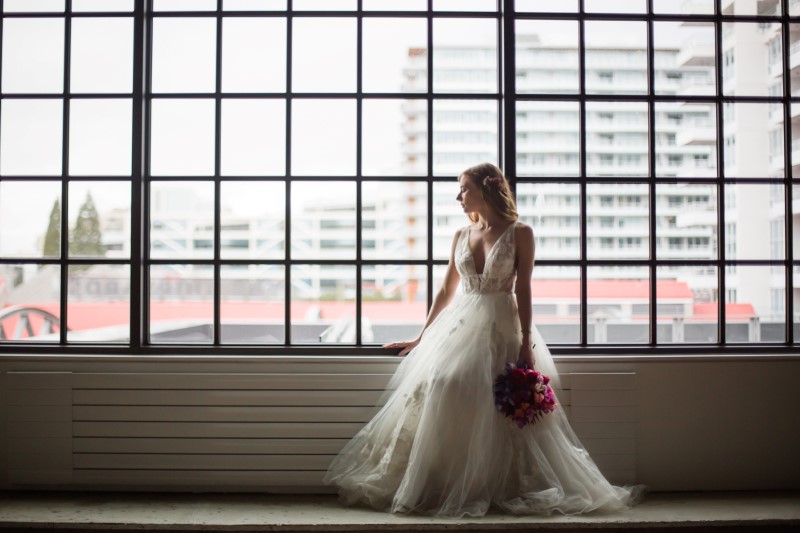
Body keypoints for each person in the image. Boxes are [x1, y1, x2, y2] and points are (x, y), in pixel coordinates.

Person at [323, 163, 645, 518]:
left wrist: (525, 344)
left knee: (500, 406)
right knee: (443, 386)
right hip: (460, 323)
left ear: (486, 189)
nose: (458, 196)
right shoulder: (462, 235)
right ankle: (446, 481)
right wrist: (421, 337)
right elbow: (447, 289)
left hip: (502, 326)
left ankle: (499, 484)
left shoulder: (521, 232)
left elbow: (523, 289)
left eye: (464, 188)